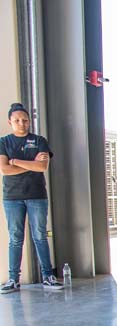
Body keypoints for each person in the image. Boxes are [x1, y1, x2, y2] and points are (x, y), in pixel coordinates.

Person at [0, 103, 63, 293]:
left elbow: (42, 167)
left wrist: (16, 161)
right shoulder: (4, 142)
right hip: (12, 198)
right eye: (17, 120)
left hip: (37, 196)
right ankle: (13, 279)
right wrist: (30, 163)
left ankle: (48, 276)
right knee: (16, 238)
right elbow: (4, 169)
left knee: (40, 236)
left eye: (25, 120)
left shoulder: (39, 141)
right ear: (10, 122)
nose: (22, 123)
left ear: (30, 121)